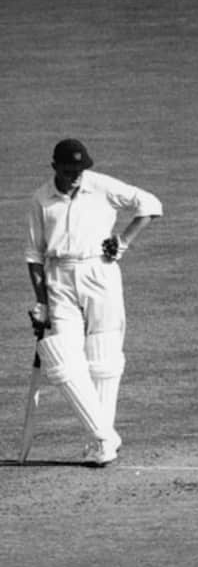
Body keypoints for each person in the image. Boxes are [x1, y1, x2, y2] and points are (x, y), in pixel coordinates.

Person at [25, 138, 163, 465]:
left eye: (80, 169)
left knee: (104, 358)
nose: (75, 176)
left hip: (99, 272)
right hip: (58, 275)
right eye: (69, 170)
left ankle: (100, 445)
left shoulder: (100, 186)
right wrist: (41, 302)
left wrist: (122, 241)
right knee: (61, 356)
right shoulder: (40, 199)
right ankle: (104, 433)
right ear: (54, 166)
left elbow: (151, 204)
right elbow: (33, 256)